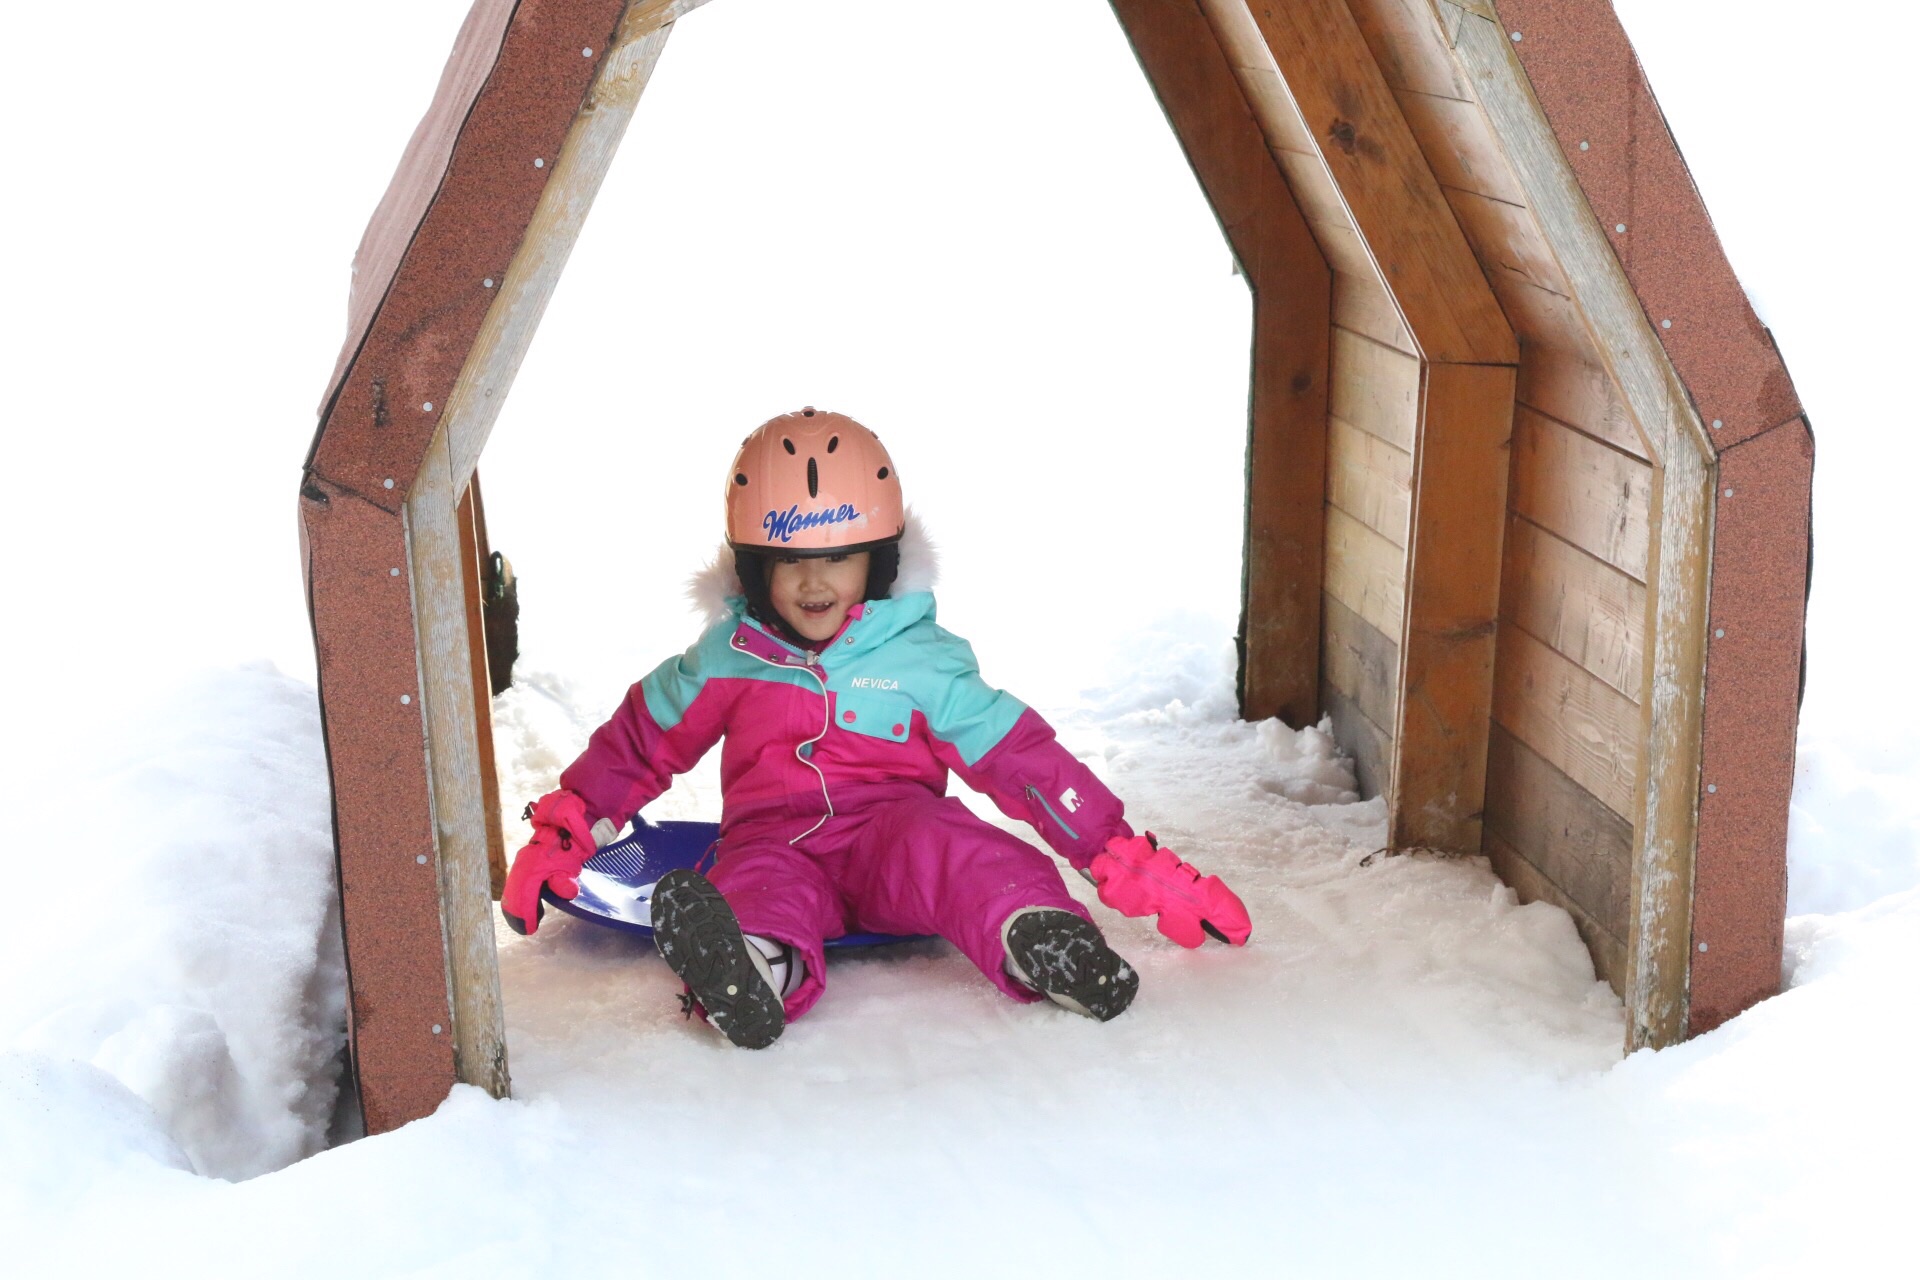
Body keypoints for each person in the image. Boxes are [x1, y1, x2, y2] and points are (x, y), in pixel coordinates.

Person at [501, 408, 1250, 1048]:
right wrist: (569, 823)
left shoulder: (921, 660)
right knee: (750, 888)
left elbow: (1020, 760)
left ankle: (1043, 942)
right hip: (773, 840)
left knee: (963, 852)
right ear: (755, 568)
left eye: (840, 558)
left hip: (895, 832)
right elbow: (640, 741)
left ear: (880, 560)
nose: (814, 583)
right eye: (789, 562)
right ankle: (751, 971)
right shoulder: (726, 659)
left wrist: (1115, 852)